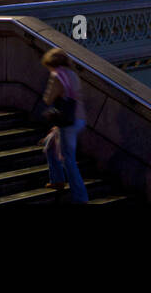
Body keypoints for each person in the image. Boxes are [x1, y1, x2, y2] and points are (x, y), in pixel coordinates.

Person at [39, 48, 88, 203]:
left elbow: (48, 98)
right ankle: (57, 178)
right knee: (49, 145)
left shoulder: (57, 75)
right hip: (78, 119)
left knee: (69, 160)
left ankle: (80, 197)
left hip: (67, 121)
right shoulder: (72, 74)